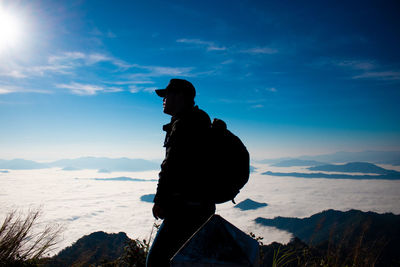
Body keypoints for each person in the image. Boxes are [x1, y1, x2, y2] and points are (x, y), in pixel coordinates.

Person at [146, 79, 216, 267]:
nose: (163, 100)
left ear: (180, 96)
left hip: (187, 208)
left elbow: (170, 166)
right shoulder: (198, 120)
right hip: (201, 205)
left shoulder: (185, 123)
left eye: (166, 95)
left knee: (156, 261)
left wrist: (159, 200)